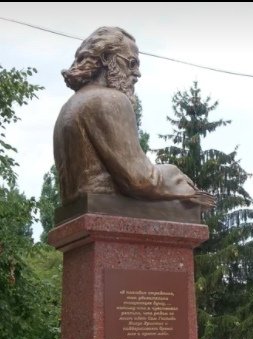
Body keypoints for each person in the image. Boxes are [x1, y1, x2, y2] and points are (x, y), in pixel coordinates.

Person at [54, 26, 213, 211]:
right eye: (131, 63)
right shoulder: (110, 100)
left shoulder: (68, 108)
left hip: (78, 210)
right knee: (189, 207)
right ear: (106, 58)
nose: (137, 73)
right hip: (109, 209)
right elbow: (141, 180)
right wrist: (179, 178)